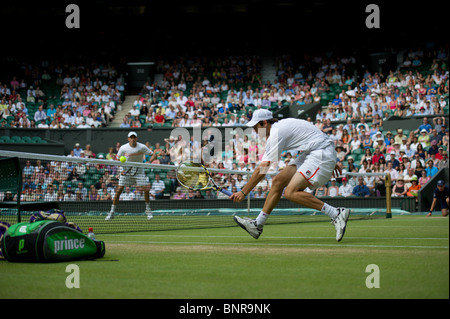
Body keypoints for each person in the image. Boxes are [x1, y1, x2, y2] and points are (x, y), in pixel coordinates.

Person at [230, 109, 349, 241]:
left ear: (264, 123)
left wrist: (243, 192)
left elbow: (263, 168)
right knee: (278, 181)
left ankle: (336, 213)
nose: (254, 131)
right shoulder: (283, 124)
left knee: (290, 192)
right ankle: (257, 225)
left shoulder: (276, 133)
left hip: (320, 153)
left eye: (256, 127)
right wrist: (331, 156)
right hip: (316, 151)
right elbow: (314, 133)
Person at [106, 131, 156, 221]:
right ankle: (112, 212)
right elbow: (117, 159)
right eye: (131, 137)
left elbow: (153, 154)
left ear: (136, 138)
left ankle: (148, 210)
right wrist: (120, 170)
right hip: (126, 171)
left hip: (139, 171)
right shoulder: (123, 148)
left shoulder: (142, 147)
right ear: (128, 139)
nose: (132, 139)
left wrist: (149, 162)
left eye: (134, 137)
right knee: (119, 190)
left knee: (146, 189)